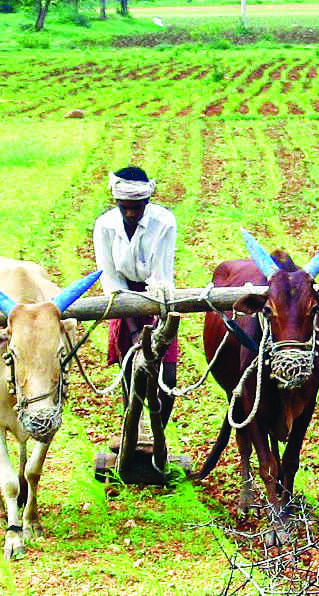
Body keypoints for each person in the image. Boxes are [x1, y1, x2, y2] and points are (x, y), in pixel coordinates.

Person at [93, 166, 178, 428]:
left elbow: (160, 277)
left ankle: (158, 434)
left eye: (137, 207)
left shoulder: (164, 222)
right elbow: (111, 279)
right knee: (131, 371)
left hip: (158, 298)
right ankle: (133, 430)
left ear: (147, 201)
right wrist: (132, 331)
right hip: (122, 300)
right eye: (125, 206)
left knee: (167, 377)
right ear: (117, 202)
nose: (130, 213)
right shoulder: (105, 226)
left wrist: (155, 331)